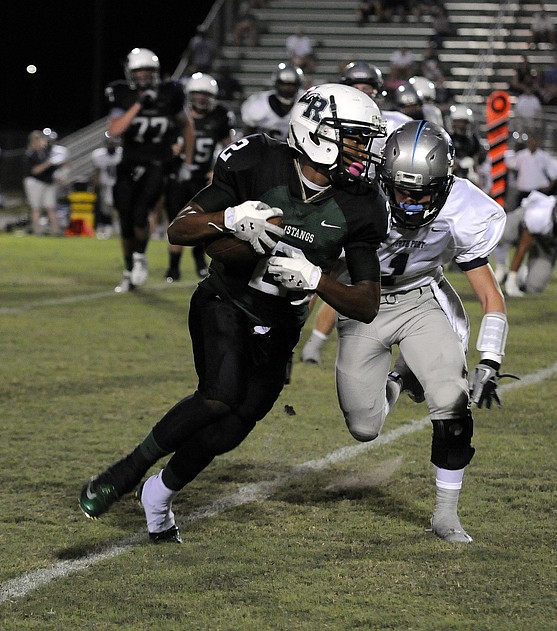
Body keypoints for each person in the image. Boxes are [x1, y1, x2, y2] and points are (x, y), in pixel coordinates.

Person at [78, 83, 390, 542]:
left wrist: (316, 280)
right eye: (355, 138)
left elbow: (366, 302)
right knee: (218, 394)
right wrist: (227, 219)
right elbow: (178, 229)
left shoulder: (362, 204)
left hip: (282, 323)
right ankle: (127, 471)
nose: (364, 151)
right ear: (316, 133)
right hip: (226, 299)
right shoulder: (256, 161)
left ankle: (159, 494)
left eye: (366, 140)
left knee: (235, 425)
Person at [335, 120, 508, 543]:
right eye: (402, 191)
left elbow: (490, 295)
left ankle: (446, 515)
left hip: (420, 300)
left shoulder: (464, 208)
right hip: (364, 304)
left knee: (451, 400)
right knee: (364, 427)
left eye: (423, 192)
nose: (411, 203)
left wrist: (490, 358)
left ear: (445, 183)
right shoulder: (353, 193)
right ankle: (399, 379)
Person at [299, 60, 412, 365]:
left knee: (347, 282)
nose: (363, 92)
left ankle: (314, 343)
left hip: (371, 211)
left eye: (368, 88)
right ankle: (296, 335)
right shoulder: (334, 117)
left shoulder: (394, 122)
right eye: (356, 87)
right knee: (315, 275)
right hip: (336, 205)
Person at [105, 48, 195, 292]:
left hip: (159, 162)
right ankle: (128, 270)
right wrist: (138, 105)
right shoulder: (122, 93)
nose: (143, 76)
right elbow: (115, 130)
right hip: (130, 161)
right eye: (139, 71)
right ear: (130, 73)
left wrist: (187, 162)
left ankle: (139, 258)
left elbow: (187, 127)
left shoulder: (170, 93)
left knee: (140, 212)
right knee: (124, 219)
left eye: (148, 71)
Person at [163, 72, 236, 282]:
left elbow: (230, 149)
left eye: (205, 94)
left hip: (202, 178)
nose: (201, 98)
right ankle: (173, 268)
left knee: (202, 223)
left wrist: (218, 171)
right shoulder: (177, 117)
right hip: (178, 177)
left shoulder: (219, 116)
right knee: (175, 221)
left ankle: (199, 263)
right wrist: (171, 149)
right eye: (197, 94)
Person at [240, 63, 305, 141]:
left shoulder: (305, 103)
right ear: (276, 84)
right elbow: (246, 135)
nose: (287, 88)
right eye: (283, 85)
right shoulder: (259, 103)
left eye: (291, 85)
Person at [23, 128, 67, 236]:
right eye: (36, 140)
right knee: (36, 208)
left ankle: (57, 231)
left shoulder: (46, 152)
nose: (39, 143)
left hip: (48, 182)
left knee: (51, 207)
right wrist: (48, 163)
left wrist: (58, 175)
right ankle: (37, 231)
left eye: (40, 140)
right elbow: (35, 170)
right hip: (35, 182)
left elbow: (53, 168)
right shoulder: (30, 154)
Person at [91, 135, 122, 240]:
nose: (111, 145)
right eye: (109, 143)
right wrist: (96, 185)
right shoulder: (99, 155)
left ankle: (118, 227)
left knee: (120, 208)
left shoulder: (122, 153)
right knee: (105, 209)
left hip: (119, 185)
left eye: (113, 143)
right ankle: (106, 227)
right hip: (106, 185)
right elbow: (97, 171)